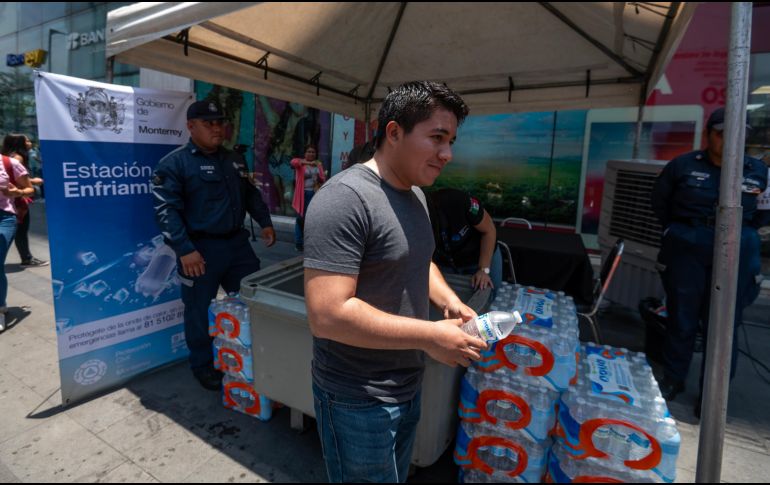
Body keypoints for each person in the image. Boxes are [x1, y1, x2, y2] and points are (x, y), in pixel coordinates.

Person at [303, 81, 486, 483]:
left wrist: (449, 301)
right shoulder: (344, 199)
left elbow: (418, 260)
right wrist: (430, 336)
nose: (448, 154)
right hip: (356, 397)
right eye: (437, 138)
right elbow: (327, 315)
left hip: (406, 383)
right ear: (393, 132)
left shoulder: (415, 194)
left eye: (451, 140)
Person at [152, 101, 277, 391]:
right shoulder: (174, 164)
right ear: (191, 127)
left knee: (253, 298)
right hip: (200, 251)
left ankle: (251, 352)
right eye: (208, 123)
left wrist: (265, 220)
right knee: (197, 310)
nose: (217, 128)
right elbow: (165, 211)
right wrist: (184, 249)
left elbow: (250, 194)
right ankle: (203, 365)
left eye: (220, 122)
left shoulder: (234, 159)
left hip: (237, 247)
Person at [652, 107, 767, 417]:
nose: (728, 141)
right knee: (682, 319)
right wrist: (677, 231)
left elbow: (764, 213)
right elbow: (659, 202)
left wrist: (742, 236)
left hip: (736, 251)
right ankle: (673, 380)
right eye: (721, 134)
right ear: (709, 136)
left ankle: (712, 396)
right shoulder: (684, 166)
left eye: (736, 135)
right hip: (689, 246)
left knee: (724, 324)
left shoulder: (758, 171)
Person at [425, 188, 503, 299]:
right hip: (445, 262)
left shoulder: (460, 201)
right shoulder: (415, 220)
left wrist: (483, 270)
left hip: (480, 255)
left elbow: (489, 230)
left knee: (490, 294)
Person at [0, 150, 35, 331]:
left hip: (3, 217)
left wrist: (17, 192)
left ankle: (0, 309)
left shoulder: (8, 163)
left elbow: (30, 189)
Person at [1, 134, 47, 267]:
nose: (29, 142)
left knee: (20, 229)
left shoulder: (11, 156)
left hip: (13, 198)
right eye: (26, 140)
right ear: (19, 143)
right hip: (15, 199)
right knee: (21, 229)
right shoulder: (17, 158)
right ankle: (26, 258)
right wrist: (33, 181)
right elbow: (15, 178)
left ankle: (26, 256)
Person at [291, 145, 326, 252]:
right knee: (300, 219)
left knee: (312, 219)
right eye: (309, 151)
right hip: (303, 194)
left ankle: (310, 242)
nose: (311, 154)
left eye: (313, 152)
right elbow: (293, 162)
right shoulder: (300, 163)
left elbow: (323, 178)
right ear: (305, 153)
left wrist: (320, 178)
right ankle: (299, 242)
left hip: (314, 194)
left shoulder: (318, 165)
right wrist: (309, 163)